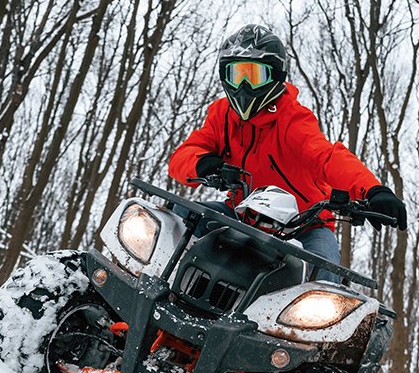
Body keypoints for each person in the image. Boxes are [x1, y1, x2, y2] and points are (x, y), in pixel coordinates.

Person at [168, 24, 406, 273]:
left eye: (255, 75)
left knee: (323, 271)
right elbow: (183, 154)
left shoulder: (292, 119)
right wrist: (203, 163)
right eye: (236, 75)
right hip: (242, 212)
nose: (244, 86)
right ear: (224, 76)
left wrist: (373, 190)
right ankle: (161, 281)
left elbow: (328, 158)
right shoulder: (222, 114)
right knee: (179, 214)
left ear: (276, 75)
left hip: (304, 225)